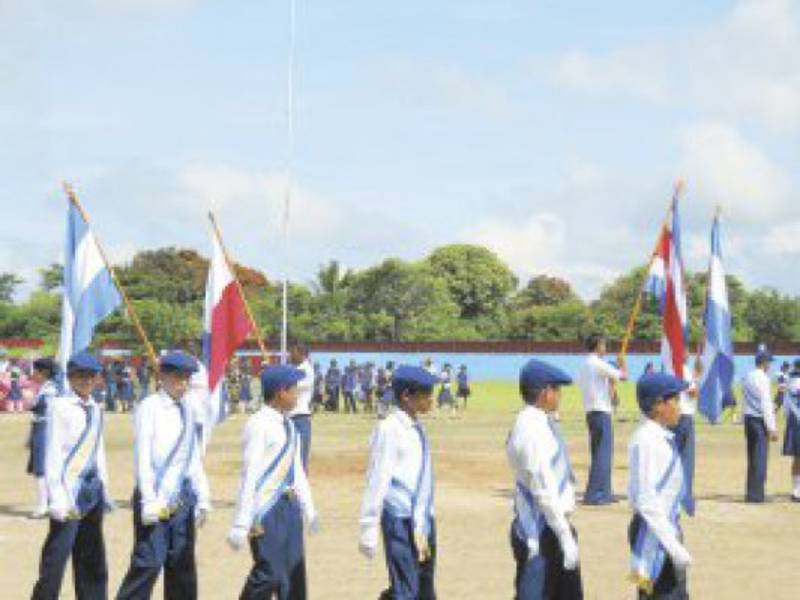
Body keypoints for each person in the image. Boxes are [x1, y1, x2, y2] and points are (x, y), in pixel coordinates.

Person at [116, 351, 212, 600]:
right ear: (163, 377)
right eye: (178, 377)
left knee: (182, 566)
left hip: (182, 497)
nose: (183, 383)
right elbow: (143, 456)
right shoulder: (150, 407)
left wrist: (202, 494)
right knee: (148, 563)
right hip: (156, 495)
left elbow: (192, 455)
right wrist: (148, 498)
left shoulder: (189, 407)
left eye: (187, 378)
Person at [227, 365, 319, 600]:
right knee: (269, 573)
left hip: (289, 507)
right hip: (266, 508)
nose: (297, 395)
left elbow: (297, 472)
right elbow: (250, 473)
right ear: (280, 392)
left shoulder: (289, 425)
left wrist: (309, 508)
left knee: (294, 576)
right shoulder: (259, 424)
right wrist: (241, 521)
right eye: (294, 390)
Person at [31, 352, 113, 600]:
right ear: (69, 377)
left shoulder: (95, 408)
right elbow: (53, 453)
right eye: (79, 376)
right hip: (68, 491)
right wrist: (56, 497)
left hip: (92, 490)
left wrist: (104, 487)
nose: (86, 381)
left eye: (91, 376)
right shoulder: (60, 407)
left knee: (92, 557)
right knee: (56, 557)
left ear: (97, 378)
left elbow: (98, 450)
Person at [359, 365, 439, 599]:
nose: (431, 399)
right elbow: (377, 478)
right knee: (406, 588)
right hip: (400, 518)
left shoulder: (417, 427)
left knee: (424, 587)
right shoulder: (389, 429)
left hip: (422, 518)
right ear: (406, 396)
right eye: (425, 393)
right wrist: (369, 525)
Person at [507, 358, 583, 599]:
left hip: (553, 524)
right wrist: (564, 536)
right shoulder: (531, 429)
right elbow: (543, 490)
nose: (560, 395)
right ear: (545, 392)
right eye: (557, 389)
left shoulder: (540, 422)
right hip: (541, 529)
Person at [628, 372, 693, 599]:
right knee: (662, 593)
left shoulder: (659, 436)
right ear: (658, 405)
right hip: (653, 533)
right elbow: (646, 498)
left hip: (663, 527)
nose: (680, 406)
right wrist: (674, 546)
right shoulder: (647, 440)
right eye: (675, 400)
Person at [576, 333, 626, 505]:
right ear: (597, 346)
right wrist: (622, 364)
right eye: (604, 345)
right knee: (602, 454)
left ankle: (604, 491)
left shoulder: (585, 364)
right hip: (601, 411)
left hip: (591, 412)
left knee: (599, 452)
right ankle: (595, 494)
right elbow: (623, 376)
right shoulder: (597, 363)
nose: (605, 348)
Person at [742, 348, 778, 503]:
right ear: (764, 362)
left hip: (748, 418)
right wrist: (772, 428)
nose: (770, 365)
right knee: (760, 458)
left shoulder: (748, 376)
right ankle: (757, 495)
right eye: (769, 362)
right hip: (759, 420)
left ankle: (751, 492)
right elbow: (766, 404)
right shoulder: (763, 379)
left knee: (752, 458)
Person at [27, 358, 59, 519]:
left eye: (36, 371)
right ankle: (47, 503)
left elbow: (44, 408)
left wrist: (31, 404)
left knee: (41, 468)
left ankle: (43, 505)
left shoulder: (50, 389)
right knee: (42, 467)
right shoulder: (47, 387)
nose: (33, 374)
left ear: (44, 372)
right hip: (41, 427)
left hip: (45, 428)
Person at [670, 361, 699, 516]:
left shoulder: (669, 366)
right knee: (686, 460)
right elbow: (692, 392)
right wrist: (697, 380)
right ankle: (685, 498)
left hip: (671, 416)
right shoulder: (683, 369)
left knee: (672, 458)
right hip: (685, 416)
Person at [289, 341, 315, 469]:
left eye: (292, 353)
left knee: (299, 459)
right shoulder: (296, 369)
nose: (290, 355)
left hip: (299, 418)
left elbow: (291, 385)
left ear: (302, 354)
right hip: (291, 417)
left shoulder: (305, 370)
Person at [782, 359, 800, 502]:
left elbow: (786, 408)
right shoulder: (794, 382)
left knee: (797, 458)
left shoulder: (789, 381)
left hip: (794, 421)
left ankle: (795, 491)